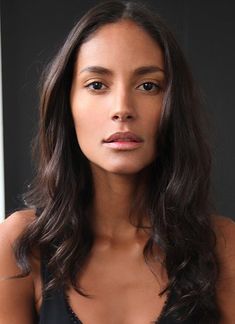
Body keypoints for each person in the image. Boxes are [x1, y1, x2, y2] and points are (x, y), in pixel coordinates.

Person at [0, 0, 235, 323]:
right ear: (66, 105)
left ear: (172, 107)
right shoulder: (21, 245)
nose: (122, 108)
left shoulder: (222, 246)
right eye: (97, 85)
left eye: (148, 86)